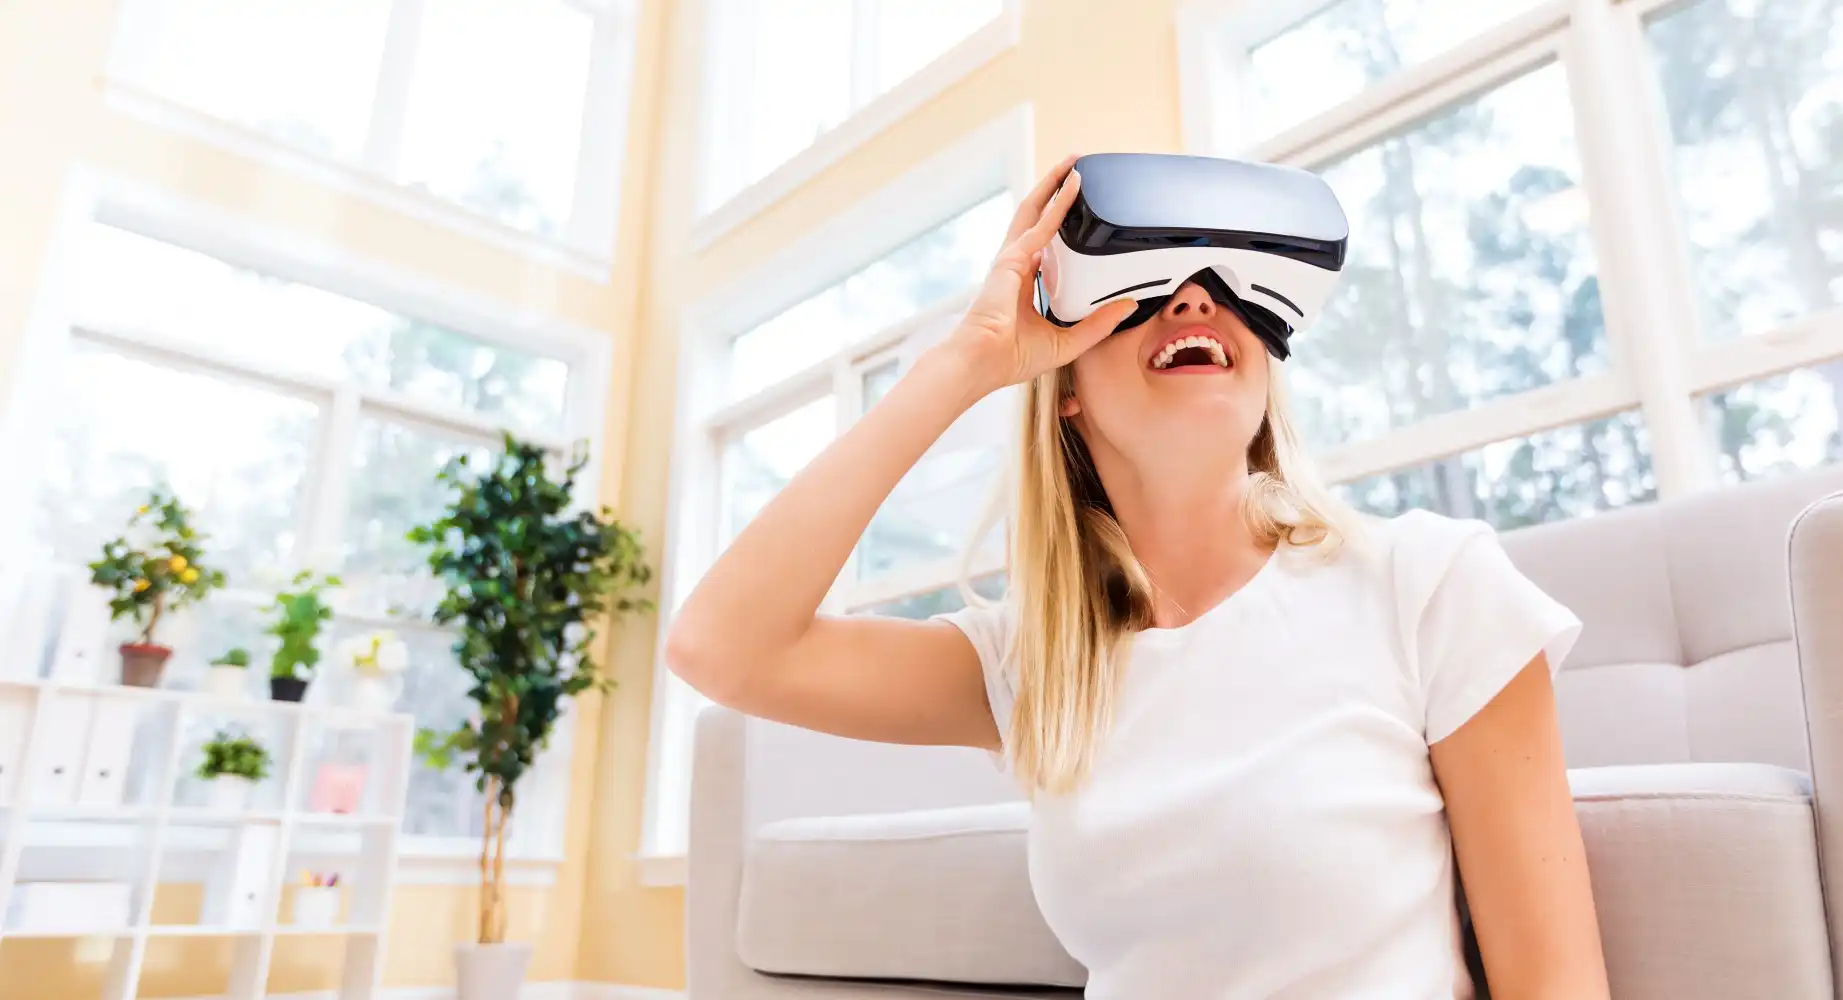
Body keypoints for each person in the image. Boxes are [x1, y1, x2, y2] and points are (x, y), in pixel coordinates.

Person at [667, 155, 1611, 1000]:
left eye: (1226, 284)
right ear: (1067, 389)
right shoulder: (1035, 663)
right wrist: (967, 361)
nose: (1195, 300)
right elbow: (721, 649)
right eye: (1144, 283)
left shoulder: (1426, 583)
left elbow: (1554, 982)